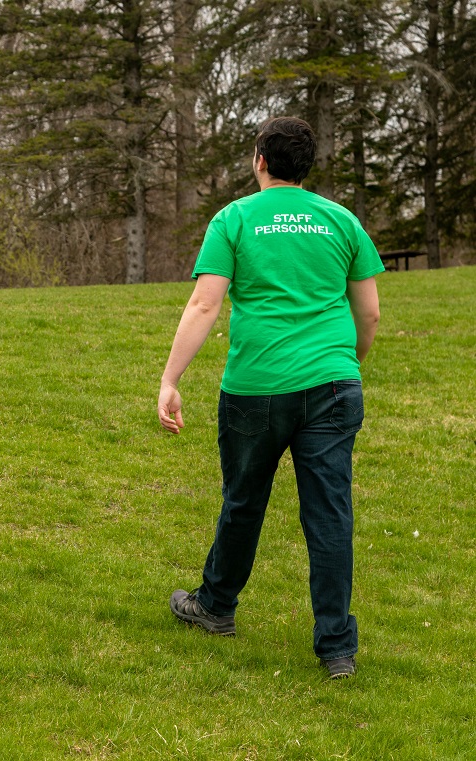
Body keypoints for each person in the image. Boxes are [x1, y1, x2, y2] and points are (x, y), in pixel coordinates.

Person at [157, 117, 382, 679]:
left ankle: (215, 608)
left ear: (260, 159)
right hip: (333, 383)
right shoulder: (341, 220)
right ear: (306, 167)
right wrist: (348, 363)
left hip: (256, 388)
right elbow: (369, 312)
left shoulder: (233, 220)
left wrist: (171, 378)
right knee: (329, 516)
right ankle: (336, 649)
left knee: (243, 500)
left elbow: (205, 305)